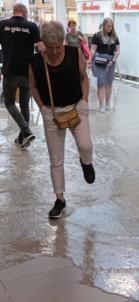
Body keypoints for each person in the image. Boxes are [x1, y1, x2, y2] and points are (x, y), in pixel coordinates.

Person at [29, 21, 95, 219]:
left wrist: (84, 100)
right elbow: (33, 87)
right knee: (56, 160)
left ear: (63, 42)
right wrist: (43, 108)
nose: (55, 52)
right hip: (52, 112)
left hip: (76, 108)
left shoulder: (74, 54)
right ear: (44, 45)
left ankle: (86, 162)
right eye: (50, 48)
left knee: (86, 145)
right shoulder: (35, 62)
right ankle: (60, 199)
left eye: (58, 46)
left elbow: (84, 78)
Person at [0, 4, 45, 147]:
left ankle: (25, 131)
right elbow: (41, 49)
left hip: (9, 71)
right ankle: (22, 138)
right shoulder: (32, 26)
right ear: (25, 13)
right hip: (27, 72)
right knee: (25, 104)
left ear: (14, 12)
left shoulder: (2, 25)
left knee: (9, 103)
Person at [87, 18, 120, 113]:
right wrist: (89, 61)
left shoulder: (115, 37)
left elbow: (117, 51)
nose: (110, 28)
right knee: (101, 83)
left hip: (110, 62)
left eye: (111, 26)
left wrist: (113, 60)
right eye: (108, 26)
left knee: (109, 83)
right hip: (99, 61)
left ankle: (108, 102)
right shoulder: (97, 36)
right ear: (104, 26)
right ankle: (101, 105)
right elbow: (93, 50)